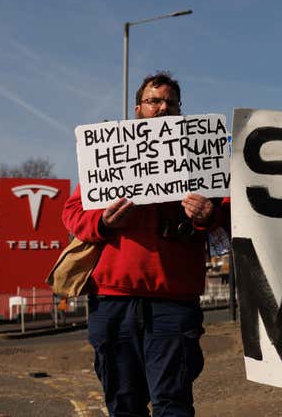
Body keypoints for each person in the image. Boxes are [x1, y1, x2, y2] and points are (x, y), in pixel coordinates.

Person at [62, 71, 228, 417]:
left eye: (170, 102)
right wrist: (103, 221)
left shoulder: (202, 158)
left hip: (173, 300)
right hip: (113, 300)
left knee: (173, 403)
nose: (162, 107)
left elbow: (228, 215)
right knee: (124, 402)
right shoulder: (110, 153)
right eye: (154, 101)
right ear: (138, 108)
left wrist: (208, 213)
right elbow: (72, 212)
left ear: (180, 110)